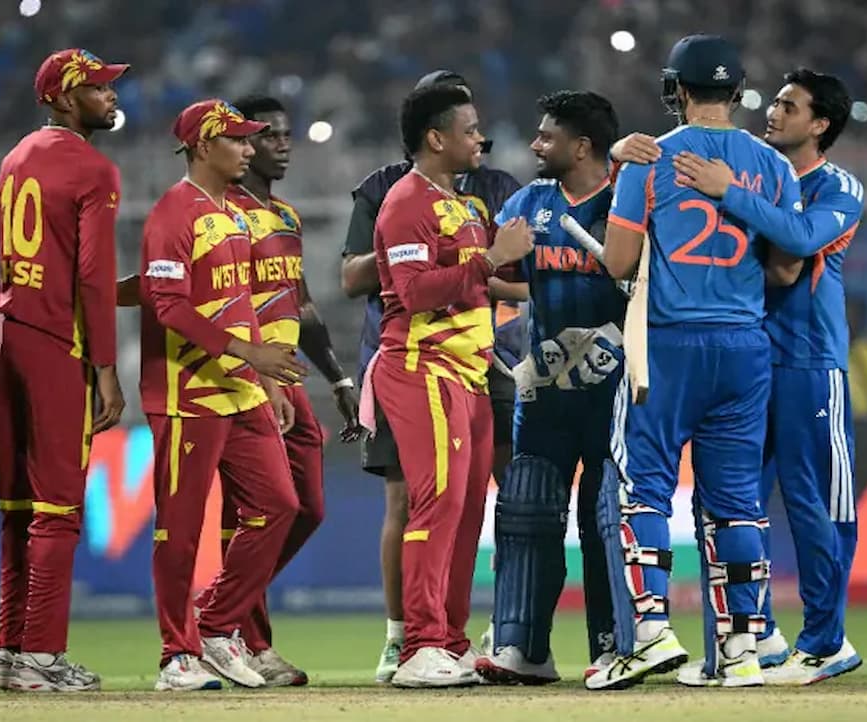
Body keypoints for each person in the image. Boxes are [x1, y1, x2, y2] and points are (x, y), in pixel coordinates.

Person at [584, 34, 805, 690]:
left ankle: (651, 632)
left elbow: (618, 262)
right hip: (744, 347)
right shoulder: (775, 167)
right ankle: (741, 649)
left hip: (668, 345)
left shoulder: (649, 158)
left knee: (644, 489)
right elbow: (788, 270)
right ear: (737, 92)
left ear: (677, 91)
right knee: (737, 503)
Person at [671, 68, 865, 685]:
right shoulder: (759, 172)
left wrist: (729, 191)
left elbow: (801, 239)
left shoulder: (837, 187)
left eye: (789, 105)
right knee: (727, 502)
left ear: (820, 124)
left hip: (809, 362)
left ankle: (826, 643)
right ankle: (754, 637)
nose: (773, 112)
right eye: (774, 102)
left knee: (815, 505)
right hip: (748, 359)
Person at [340, 70, 523, 683]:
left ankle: (448, 639)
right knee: (434, 505)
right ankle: (418, 646)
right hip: (423, 370)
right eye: (470, 130)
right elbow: (414, 292)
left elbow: (475, 284)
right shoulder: (406, 203)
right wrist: (491, 258)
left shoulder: (462, 206)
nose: (479, 139)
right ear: (436, 138)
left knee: (466, 513)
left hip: (469, 375)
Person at [187, 94, 362, 687]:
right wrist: (258, 370)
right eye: (269, 135)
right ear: (239, 144)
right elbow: (226, 303)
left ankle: (219, 610)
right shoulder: (222, 214)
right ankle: (247, 640)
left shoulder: (284, 217)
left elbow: (300, 305)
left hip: (287, 377)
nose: (282, 145)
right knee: (254, 514)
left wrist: (338, 377)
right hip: (239, 378)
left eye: (287, 135)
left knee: (305, 509)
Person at [140, 98, 309, 692]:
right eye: (236, 139)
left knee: (280, 506)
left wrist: (266, 378)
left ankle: (214, 625)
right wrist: (250, 354)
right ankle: (176, 656)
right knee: (181, 529)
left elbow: (244, 303)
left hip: (242, 390)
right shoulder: (173, 212)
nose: (248, 148)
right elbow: (167, 305)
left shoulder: (234, 213)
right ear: (203, 146)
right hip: (187, 394)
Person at [0, 48, 128, 692]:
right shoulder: (94, 169)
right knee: (58, 507)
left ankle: (10, 651)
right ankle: (41, 655)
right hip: (53, 340)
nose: (111, 96)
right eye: (98, 87)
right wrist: (106, 367)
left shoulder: (16, 156)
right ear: (64, 99)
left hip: (3, 330)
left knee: (17, 507)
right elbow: (91, 277)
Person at [476, 90, 626, 685]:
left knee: (607, 517)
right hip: (543, 391)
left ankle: (615, 645)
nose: (536, 145)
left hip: (614, 393)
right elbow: (497, 278)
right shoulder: (527, 203)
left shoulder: (626, 202)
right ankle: (522, 646)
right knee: (526, 510)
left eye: (547, 136)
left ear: (582, 146)